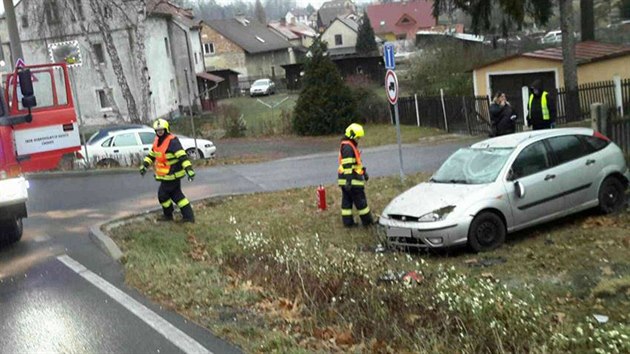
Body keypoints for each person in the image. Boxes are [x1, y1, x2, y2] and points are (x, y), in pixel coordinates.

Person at [140, 119, 196, 223]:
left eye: (161, 130)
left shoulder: (172, 141)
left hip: (172, 175)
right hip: (166, 175)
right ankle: (188, 217)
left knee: (163, 195)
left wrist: (189, 169)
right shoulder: (157, 141)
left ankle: (169, 215)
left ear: (166, 129)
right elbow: (152, 155)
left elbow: (182, 156)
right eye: (157, 131)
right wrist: (145, 165)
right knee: (177, 196)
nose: (159, 132)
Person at [338, 123, 373, 227]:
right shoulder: (348, 147)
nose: (358, 139)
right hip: (351, 180)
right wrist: (349, 180)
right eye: (358, 137)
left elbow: (355, 163)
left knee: (347, 202)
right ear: (353, 135)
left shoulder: (347, 145)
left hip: (345, 179)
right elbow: (348, 165)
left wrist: (364, 172)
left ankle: (348, 223)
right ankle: (368, 222)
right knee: (361, 202)